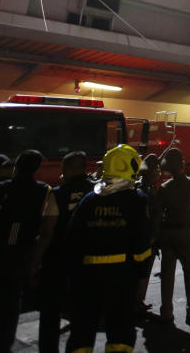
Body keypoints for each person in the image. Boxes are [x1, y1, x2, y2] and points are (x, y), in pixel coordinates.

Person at [0, 149, 58, 353]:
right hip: (21, 253)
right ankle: (2, 343)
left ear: (16, 167)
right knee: (10, 301)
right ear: (37, 169)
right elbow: (47, 229)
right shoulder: (46, 191)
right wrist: (36, 260)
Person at [65, 144, 151, 353]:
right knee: (120, 330)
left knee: (82, 330)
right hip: (122, 277)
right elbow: (141, 244)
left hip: (87, 277)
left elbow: (73, 240)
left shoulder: (89, 200)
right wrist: (142, 280)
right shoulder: (136, 200)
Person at [39, 151, 94, 353]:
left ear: (70, 169)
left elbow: (47, 231)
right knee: (83, 313)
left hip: (58, 258)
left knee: (51, 311)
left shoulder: (58, 193)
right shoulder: (96, 193)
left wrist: (35, 261)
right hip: (88, 260)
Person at [158, 147, 190, 325]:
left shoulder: (164, 188)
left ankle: (166, 311)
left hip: (167, 234)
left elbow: (158, 214)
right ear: (181, 165)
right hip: (186, 233)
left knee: (167, 274)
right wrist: (188, 208)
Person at [136, 153, 162, 315]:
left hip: (150, 237)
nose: (158, 173)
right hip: (144, 238)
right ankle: (136, 302)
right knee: (141, 271)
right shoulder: (141, 189)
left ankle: (139, 301)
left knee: (146, 271)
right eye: (156, 171)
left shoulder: (151, 187)